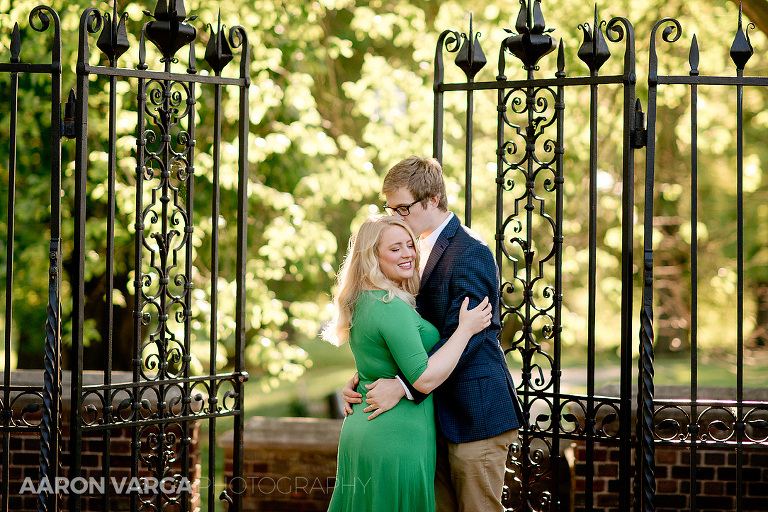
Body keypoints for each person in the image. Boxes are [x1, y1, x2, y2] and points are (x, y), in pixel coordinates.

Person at [342, 156, 525, 512]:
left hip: (476, 416)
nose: (395, 217)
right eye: (389, 208)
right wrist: (369, 372)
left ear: (433, 200)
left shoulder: (471, 251)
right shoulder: (418, 248)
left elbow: (469, 335)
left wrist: (404, 384)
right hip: (434, 417)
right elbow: (409, 332)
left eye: (402, 207)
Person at [323, 215, 492, 512]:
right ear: (373, 257)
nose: (408, 254)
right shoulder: (390, 306)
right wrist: (465, 329)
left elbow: (377, 355)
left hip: (369, 428)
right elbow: (424, 378)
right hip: (394, 436)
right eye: (395, 249)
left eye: (409, 245)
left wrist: (361, 378)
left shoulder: (364, 299)